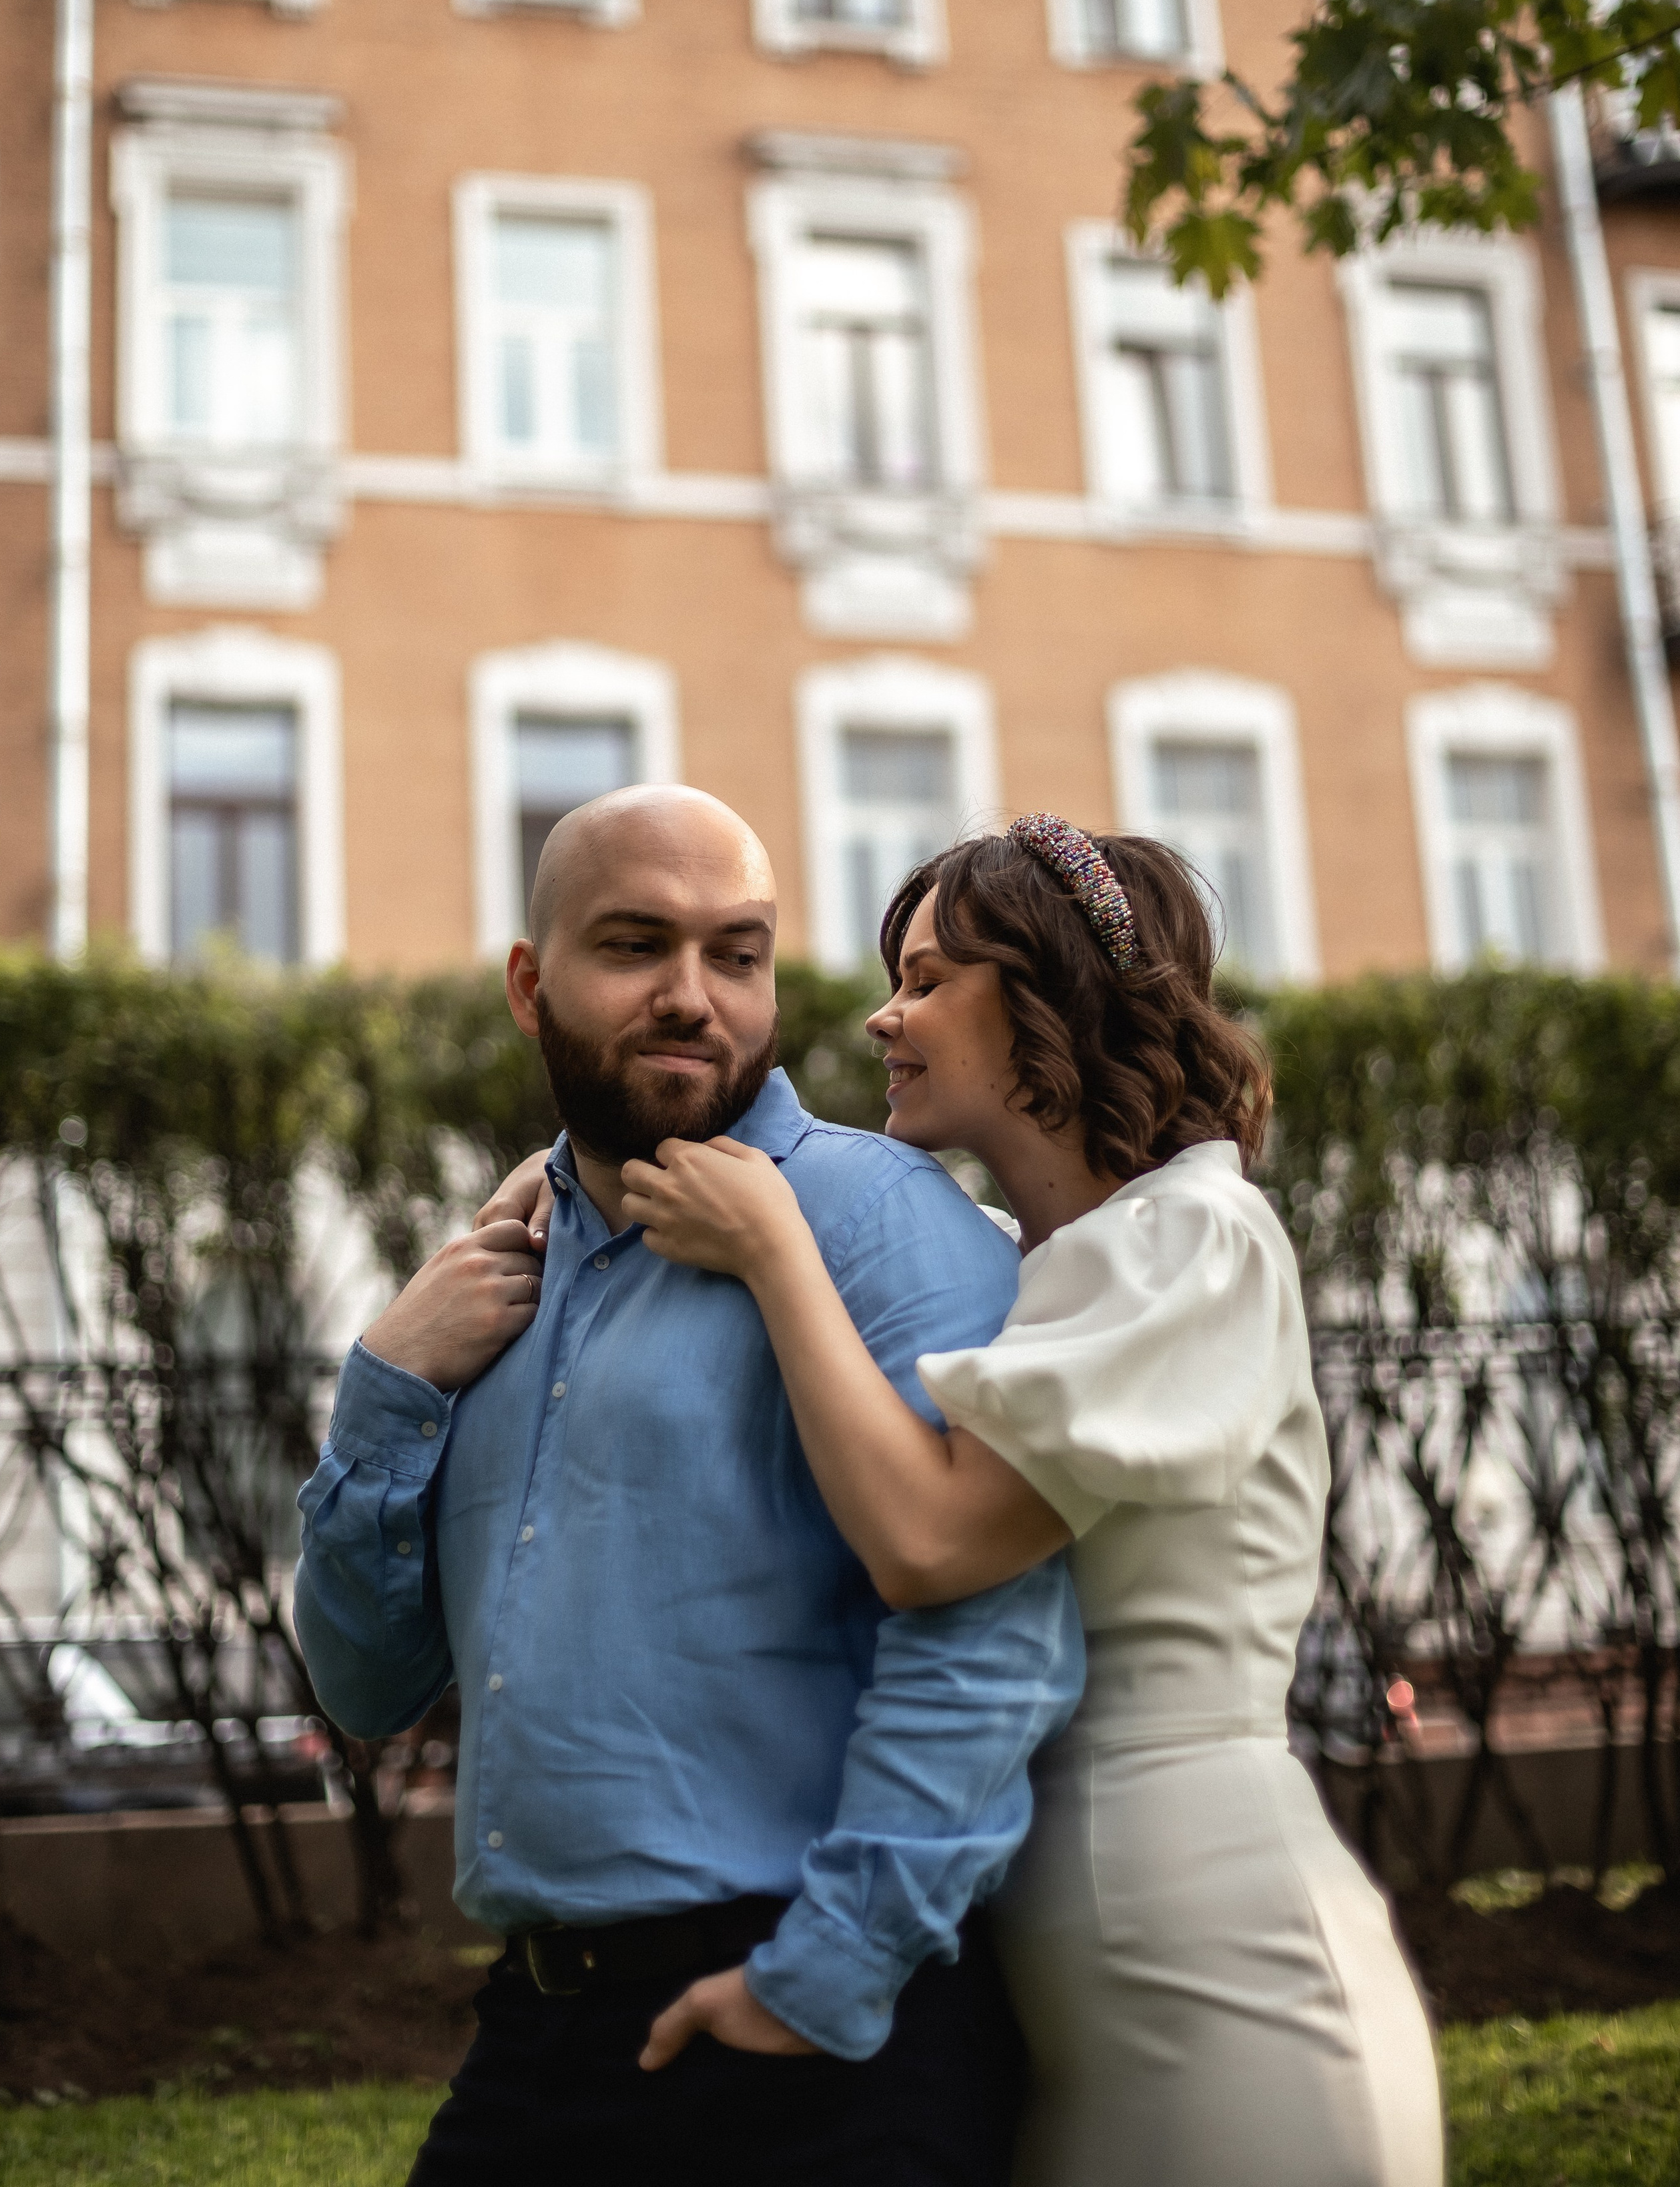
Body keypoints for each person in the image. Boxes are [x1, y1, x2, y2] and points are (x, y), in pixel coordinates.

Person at [493, 813, 1444, 2187]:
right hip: (1040, 1975)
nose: (883, 1018)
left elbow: (930, 1542)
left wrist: (775, 1253)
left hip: (1211, 1945)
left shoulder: (1196, 1237)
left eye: (929, 980)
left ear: (1050, 992)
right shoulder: (1030, 1260)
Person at [294, 787, 1084, 2187]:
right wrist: (386, 1386)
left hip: (825, 2028)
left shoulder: (883, 1225)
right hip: (540, 2028)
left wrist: (825, 1975)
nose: (690, 996)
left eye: (736, 952)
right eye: (635, 945)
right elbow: (366, 1688)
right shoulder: (497, 1279)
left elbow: (986, 1644)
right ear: (531, 987)